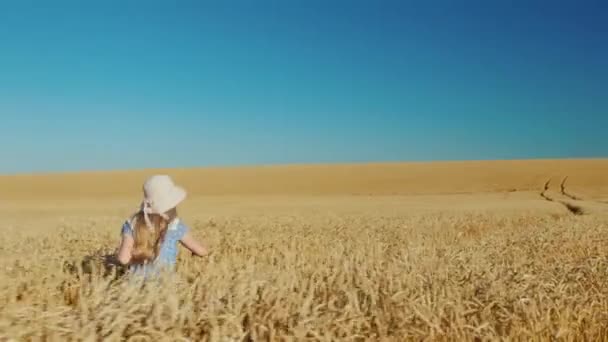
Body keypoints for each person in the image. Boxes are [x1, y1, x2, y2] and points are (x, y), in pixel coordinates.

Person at [115, 175, 208, 278]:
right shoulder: (176, 226)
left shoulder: (132, 223)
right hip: (165, 285)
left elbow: (123, 259)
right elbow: (201, 251)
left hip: (134, 288)